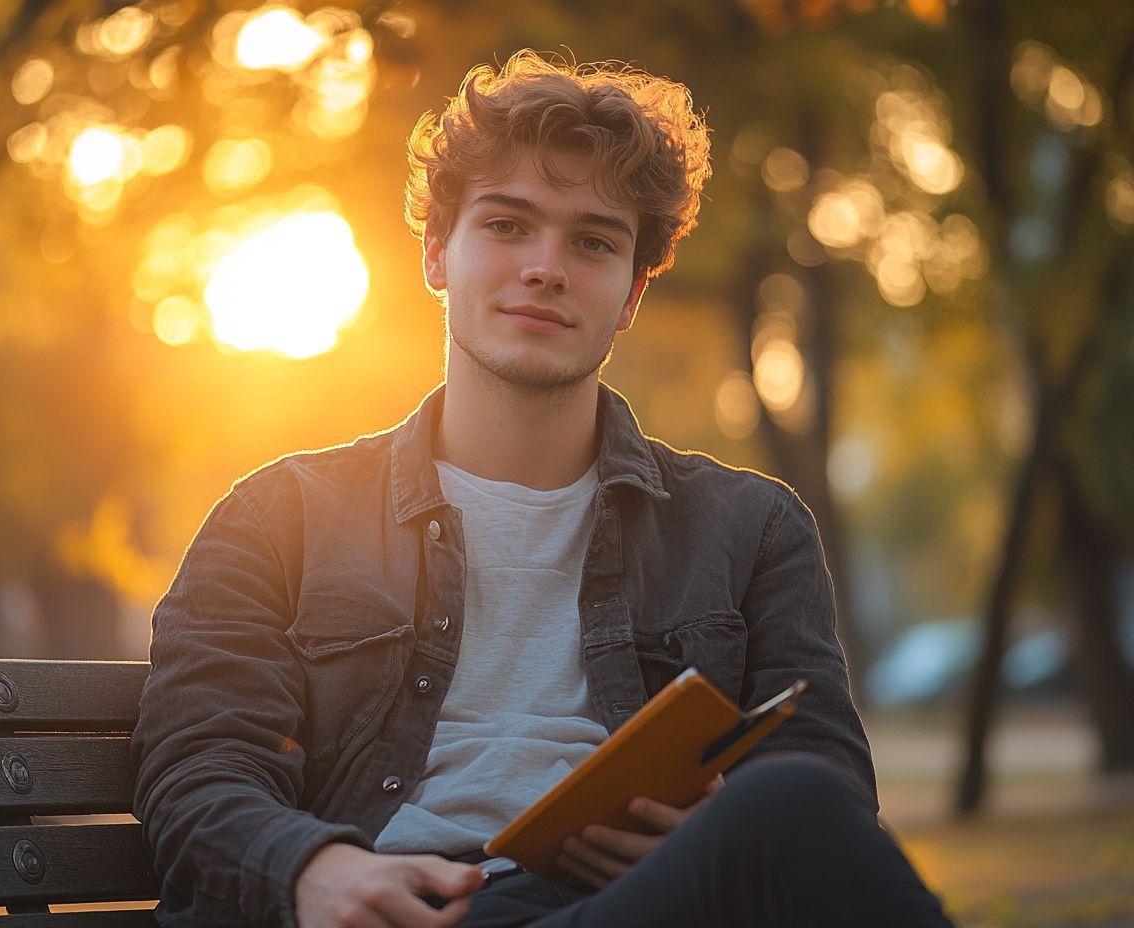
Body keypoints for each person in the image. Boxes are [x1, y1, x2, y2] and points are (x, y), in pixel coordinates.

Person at [132, 50, 955, 928]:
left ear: (633, 293)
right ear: (436, 253)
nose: (546, 268)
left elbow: (824, 789)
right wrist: (316, 868)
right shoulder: (278, 518)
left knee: (791, 802)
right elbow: (198, 768)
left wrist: (709, 829)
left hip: (630, 907)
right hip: (400, 907)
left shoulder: (749, 529)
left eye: (593, 241)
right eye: (508, 225)